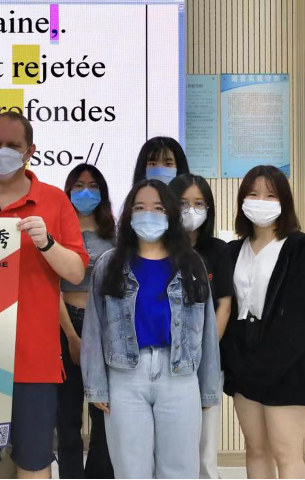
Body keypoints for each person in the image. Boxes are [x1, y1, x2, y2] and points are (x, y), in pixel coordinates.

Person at [0, 112, 89, 480]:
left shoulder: (55, 201)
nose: (2, 151)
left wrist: (47, 243)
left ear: (30, 151)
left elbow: (76, 272)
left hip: (35, 358)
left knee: (34, 460)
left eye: (13, 145)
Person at [81, 179, 221, 479]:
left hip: (180, 375)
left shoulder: (191, 263)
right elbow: (94, 326)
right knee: (131, 469)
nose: (149, 214)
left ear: (170, 214)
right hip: (125, 376)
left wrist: (208, 389)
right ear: (129, 215)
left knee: (180, 470)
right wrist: (96, 385)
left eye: (158, 208)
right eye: (140, 207)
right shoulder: (109, 264)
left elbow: (208, 329)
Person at [222, 166, 305, 480]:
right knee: (255, 449)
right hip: (244, 362)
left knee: (287, 454)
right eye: (253, 194)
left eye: (270, 195)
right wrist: (236, 361)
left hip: (288, 365)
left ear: (284, 202)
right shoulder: (233, 251)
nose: (261, 201)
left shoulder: (300, 248)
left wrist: (269, 364)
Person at [168, 174, 234, 479]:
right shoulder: (158, 248)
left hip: (206, 359)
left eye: (198, 204)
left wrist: (205, 350)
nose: (190, 210)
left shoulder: (219, 251)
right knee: (171, 442)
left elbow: (224, 304)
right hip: (166, 359)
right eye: (182, 203)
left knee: (205, 446)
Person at [56, 163, 116, 480]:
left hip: (104, 328)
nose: (86, 192)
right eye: (78, 186)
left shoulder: (116, 234)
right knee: (67, 420)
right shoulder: (57, 233)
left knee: (103, 416)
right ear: (68, 191)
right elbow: (50, 288)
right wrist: (72, 335)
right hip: (64, 325)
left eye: (93, 186)